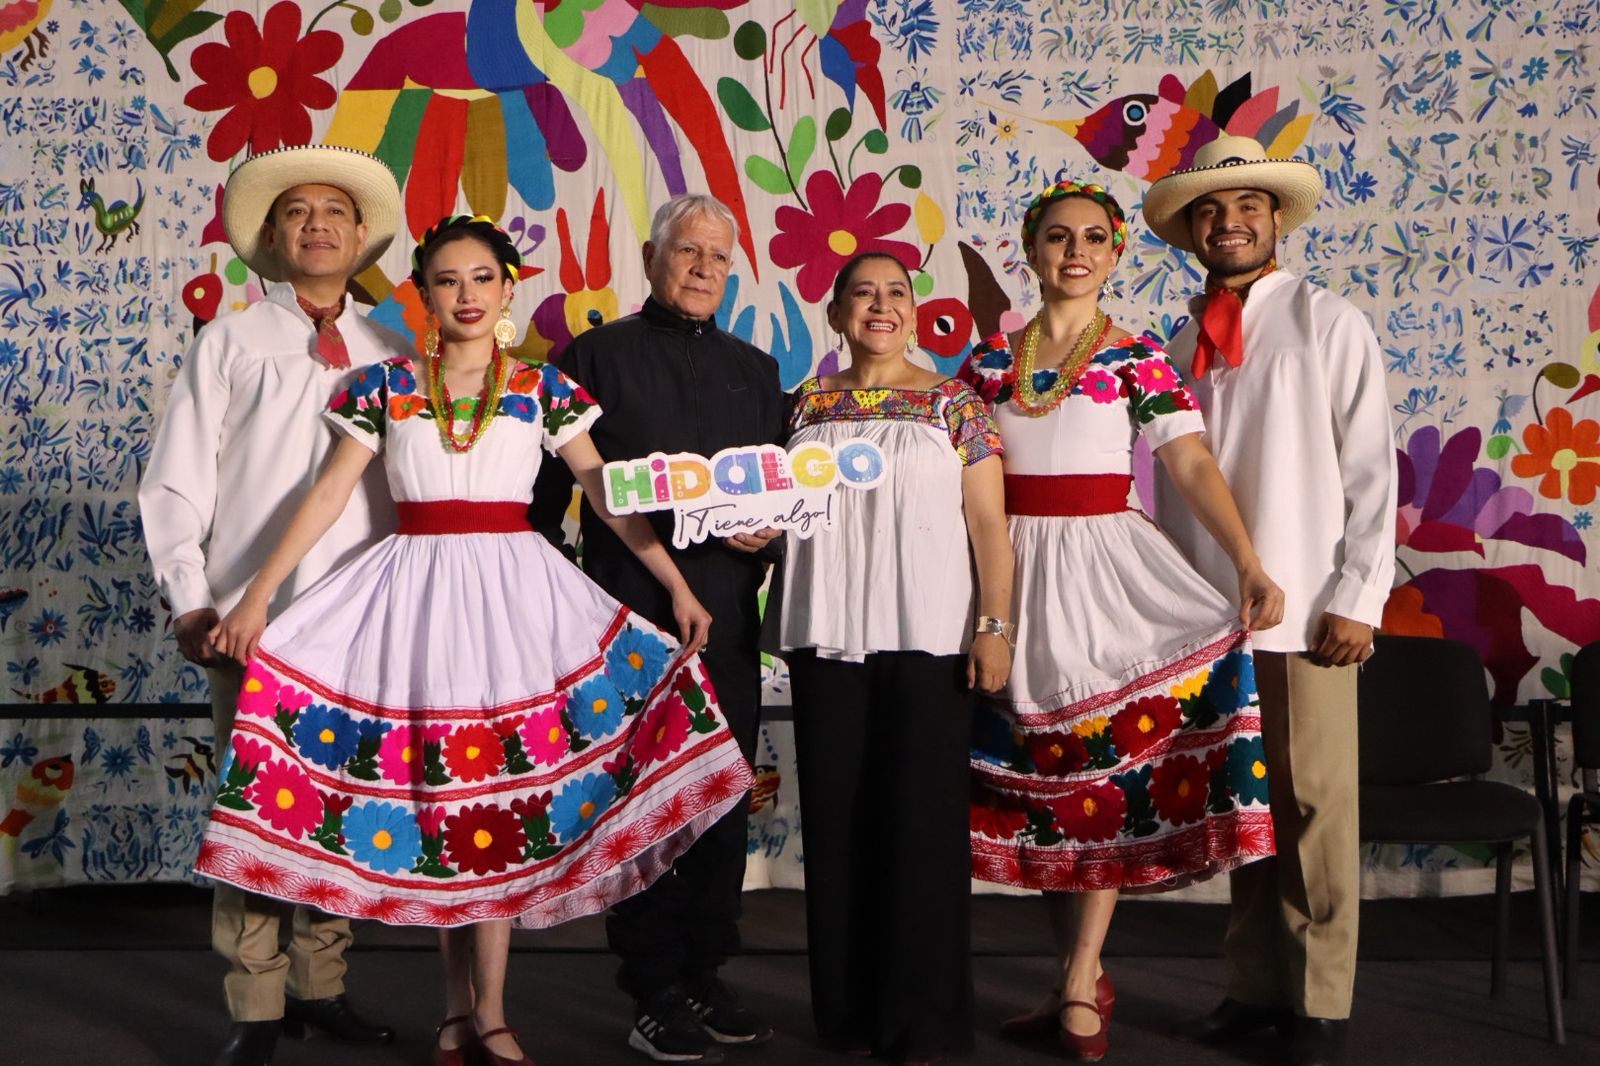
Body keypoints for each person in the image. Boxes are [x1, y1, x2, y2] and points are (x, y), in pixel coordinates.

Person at [199, 215, 755, 1066]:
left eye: (482, 279)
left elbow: (608, 496)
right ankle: (454, 1013)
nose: (466, 294)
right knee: (444, 810)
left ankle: (489, 1012)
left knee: (493, 803)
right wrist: (257, 597)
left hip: (513, 601)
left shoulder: (541, 389)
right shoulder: (382, 385)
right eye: (448, 280)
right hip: (415, 598)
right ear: (423, 294)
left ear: (506, 289)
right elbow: (322, 497)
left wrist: (677, 585)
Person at [960, 180, 1286, 1062]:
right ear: (1031, 252)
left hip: (1105, 570)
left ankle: (1079, 977)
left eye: (1093, 239)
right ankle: (1075, 971)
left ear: (1113, 255)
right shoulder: (988, 366)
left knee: (1094, 777)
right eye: (1057, 237)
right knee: (1039, 783)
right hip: (1007, 571)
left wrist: (1248, 562)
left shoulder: (1137, 357)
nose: (1075, 251)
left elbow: (1188, 460)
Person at [140, 144, 408, 1066]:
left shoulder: (394, 351)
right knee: (256, 810)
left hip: (360, 621)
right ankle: (254, 1003)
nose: (318, 225)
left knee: (342, 808)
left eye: (335, 210)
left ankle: (320, 984)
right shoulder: (231, 339)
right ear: (272, 236)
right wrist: (190, 598)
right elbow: (177, 479)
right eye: (297, 213)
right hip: (248, 621)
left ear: (363, 236)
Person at [1144, 137, 1397, 1066]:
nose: (1228, 223)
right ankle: (1255, 988)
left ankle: (1322, 1002)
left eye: (1245, 205)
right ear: (1192, 234)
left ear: (1277, 219)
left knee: (1316, 805)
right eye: (1208, 212)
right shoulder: (1177, 345)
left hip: (1310, 609)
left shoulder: (1332, 324)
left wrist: (1360, 596)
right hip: (1213, 620)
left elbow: (1372, 472)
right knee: (1243, 808)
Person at [530, 193, 785, 1063]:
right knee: (642, 800)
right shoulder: (591, 357)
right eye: (689, 253)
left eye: (720, 257)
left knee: (721, 795)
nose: (706, 269)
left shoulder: (757, 370)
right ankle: (653, 986)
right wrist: (569, 606)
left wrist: (773, 529)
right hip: (626, 618)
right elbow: (539, 506)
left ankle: (707, 969)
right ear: (651, 257)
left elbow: (782, 496)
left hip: (731, 620)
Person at [779, 251, 1012, 1064]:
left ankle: (925, 1022)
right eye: (862, 293)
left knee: (921, 827)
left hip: (930, 638)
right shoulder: (803, 405)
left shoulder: (957, 404)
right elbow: (780, 512)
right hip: (825, 636)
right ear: (837, 312)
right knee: (837, 826)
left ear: (915, 311)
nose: (880, 305)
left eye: (896, 293)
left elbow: (990, 526)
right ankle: (845, 1012)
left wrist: (995, 625)